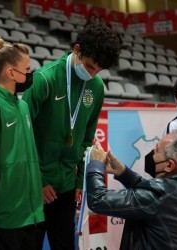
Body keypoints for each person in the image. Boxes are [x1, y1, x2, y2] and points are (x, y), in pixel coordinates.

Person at [22, 24, 121, 250]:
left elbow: (87, 139)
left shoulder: (96, 88)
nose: (92, 74)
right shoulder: (44, 80)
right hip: (36, 186)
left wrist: (80, 182)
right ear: (77, 50)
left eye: (98, 70)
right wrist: (38, 181)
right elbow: (22, 134)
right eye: (89, 66)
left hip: (66, 187)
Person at [87, 130, 177, 249]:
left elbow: (98, 199)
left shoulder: (158, 195)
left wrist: (96, 165)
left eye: (157, 150)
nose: (152, 151)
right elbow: (156, 195)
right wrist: (123, 173)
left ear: (170, 165)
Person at [0, 36, 44, 250]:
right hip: (6, 218)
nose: (30, 74)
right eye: (27, 69)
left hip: (33, 217)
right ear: (11, 73)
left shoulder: (22, 106)